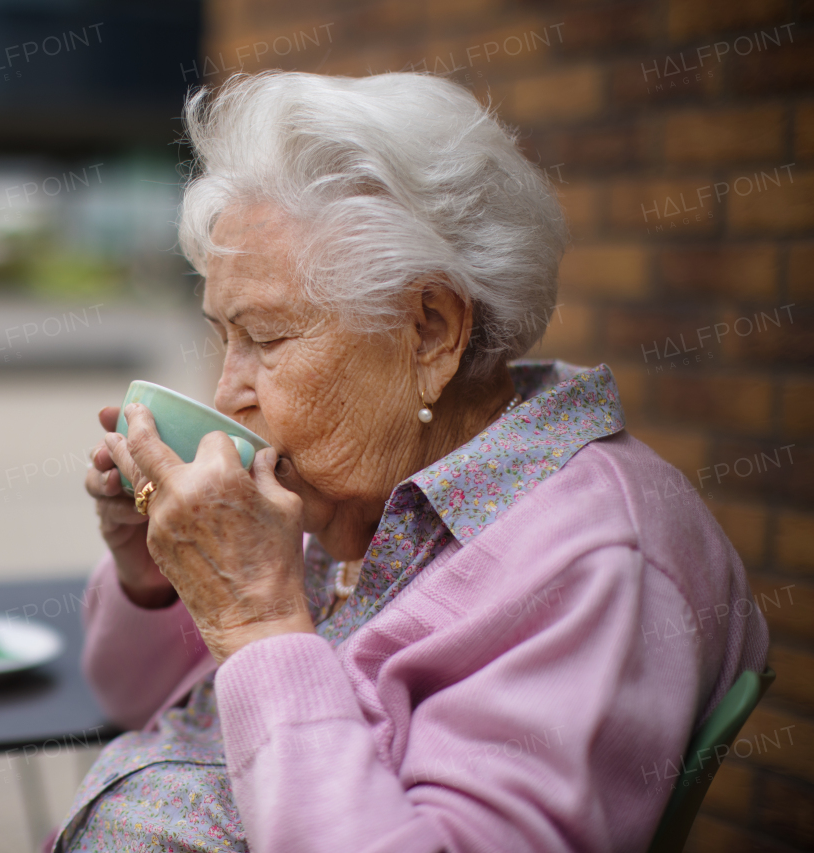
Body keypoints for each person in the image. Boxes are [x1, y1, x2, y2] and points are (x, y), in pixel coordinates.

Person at [60, 70, 768, 852]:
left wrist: (256, 621)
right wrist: (154, 573)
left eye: (265, 338)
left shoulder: (590, 563)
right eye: (223, 336)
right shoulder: (350, 492)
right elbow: (136, 701)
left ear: (430, 332)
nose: (228, 394)